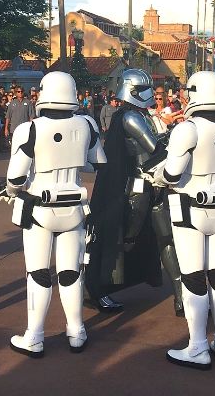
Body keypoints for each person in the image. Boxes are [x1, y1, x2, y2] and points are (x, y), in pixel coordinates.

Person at [0, 71, 106, 357]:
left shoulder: (29, 129)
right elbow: (97, 162)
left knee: (38, 273)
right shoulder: (88, 124)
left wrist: (8, 191)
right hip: (75, 207)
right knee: (71, 272)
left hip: (39, 207)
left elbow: (16, 178)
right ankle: (76, 330)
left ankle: (34, 336)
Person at [154, 71, 215, 368]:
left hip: (188, 206)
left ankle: (197, 346)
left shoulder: (188, 128)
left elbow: (171, 174)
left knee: (193, 277)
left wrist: (157, 175)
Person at [86, 69, 184, 316]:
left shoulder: (138, 115)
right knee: (122, 241)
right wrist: (180, 134)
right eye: (142, 89)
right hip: (136, 187)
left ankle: (182, 295)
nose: (149, 94)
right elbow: (155, 148)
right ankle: (97, 288)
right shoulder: (130, 117)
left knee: (165, 238)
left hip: (154, 184)